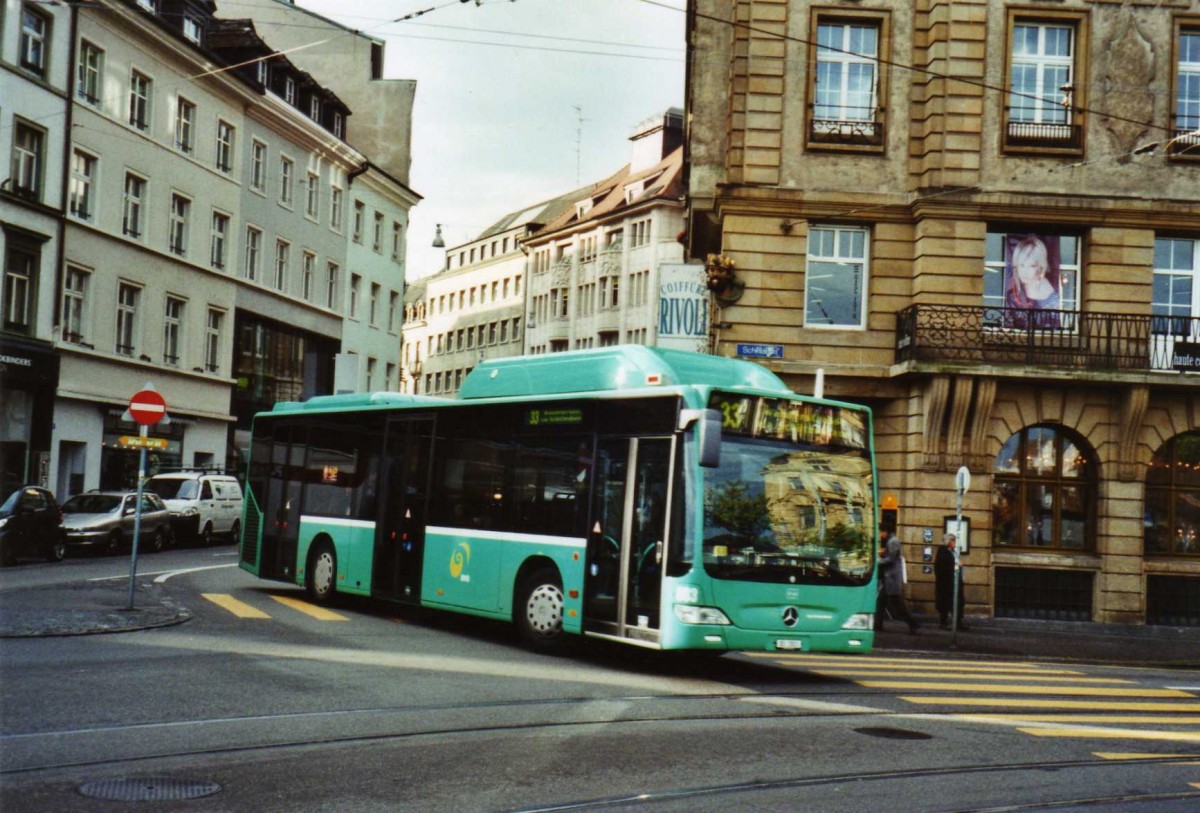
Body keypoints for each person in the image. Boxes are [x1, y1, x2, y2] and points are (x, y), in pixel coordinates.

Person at [1004, 235, 1060, 329]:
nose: (1024, 271)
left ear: (1041, 267)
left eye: (1031, 266)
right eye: (1021, 265)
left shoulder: (1054, 296)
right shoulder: (1014, 296)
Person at [875, 529, 919, 634]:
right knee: (880, 602)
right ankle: (877, 624)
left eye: (881, 532)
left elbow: (891, 559)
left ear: (885, 531)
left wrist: (878, 561)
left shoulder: (893, 541)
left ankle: (913, 623)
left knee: (897, 604)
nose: (880, 534)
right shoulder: (891, 541)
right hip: (889, 578)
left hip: (892, 577)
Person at [934, 533, 968, 630]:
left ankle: (957, 623)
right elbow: (944, 566)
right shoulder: (943, 552)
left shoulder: (951, 551)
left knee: (958, 603)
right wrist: (956, 564)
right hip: (947, 583)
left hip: (955, 582)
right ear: (949, 542)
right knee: (946, 603)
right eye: (953, 541)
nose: (955, 543)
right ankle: (944, 623)